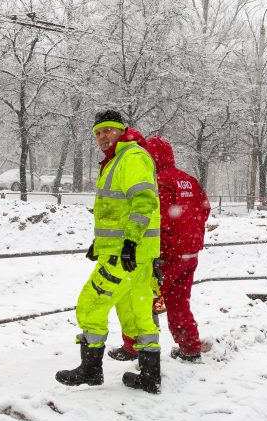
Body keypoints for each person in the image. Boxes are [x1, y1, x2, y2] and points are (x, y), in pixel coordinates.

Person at [55, 109, 163, 393]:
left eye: (108, 131)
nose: (103, 137)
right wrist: (100, 243)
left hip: (125, 255)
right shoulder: (118, 160)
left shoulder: (131, 158)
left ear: (121, 131)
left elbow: (143, 202)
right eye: (98, 133)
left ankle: (91, 370)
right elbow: (116, 211)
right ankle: (150, 376)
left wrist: (128, 243)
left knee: (90, 305)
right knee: (137, 314)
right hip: (133, 255)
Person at [108, 135, 211, 363]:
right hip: (190, 253)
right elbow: (204, 209)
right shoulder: (188, 179)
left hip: (166, 255)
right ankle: (190, 348)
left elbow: (158, 221)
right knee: (179, 302)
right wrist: (190, 235)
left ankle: (136, 347)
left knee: (140, 299)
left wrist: (155, 251)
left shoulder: (158, 181)